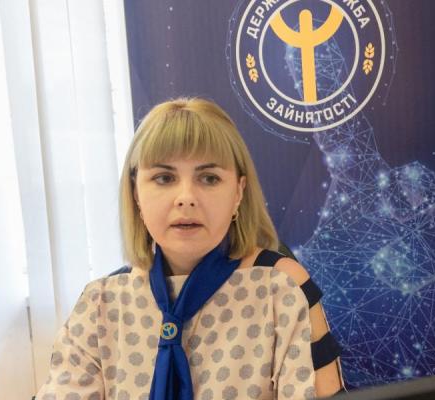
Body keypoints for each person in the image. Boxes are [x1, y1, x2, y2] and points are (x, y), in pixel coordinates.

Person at [36, 98, 343, 399]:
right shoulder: (101, 303)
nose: (186, 198)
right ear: (136, 193)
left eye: (209, 178)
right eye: (164, 178)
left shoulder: (283, 286)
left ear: (238, 192)